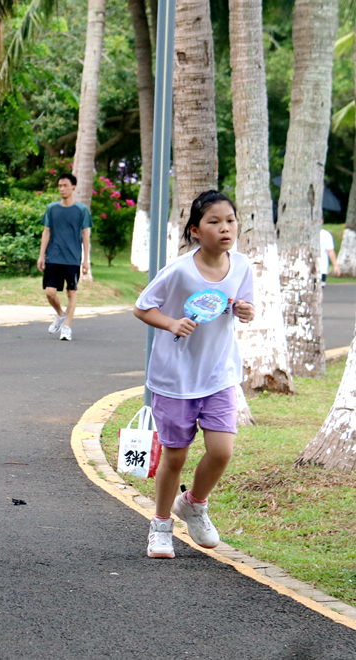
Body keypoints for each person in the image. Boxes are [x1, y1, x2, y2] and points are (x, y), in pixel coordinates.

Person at [133, 190, 255, 559]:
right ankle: (160, 525)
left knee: (221, 451)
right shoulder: (180, 270)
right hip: (176, 378)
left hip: (219, 374)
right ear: (195, 231)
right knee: (176, 456)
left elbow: (240, 305)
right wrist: (171, 322)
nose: (224, 228)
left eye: (230, 221)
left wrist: (244, 311)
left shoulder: (243, 266)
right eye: (214, 222)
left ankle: (195, 504)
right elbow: (142, 307)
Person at [37, 173, 92, 341]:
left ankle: (67, 327)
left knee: (71, 293)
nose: (62, 189)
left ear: (73, 187)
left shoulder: (82, 210)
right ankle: (61, 314)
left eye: (65, 185)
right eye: (59, 186)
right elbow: (46, 232)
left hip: (72, 259)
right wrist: (41, 255)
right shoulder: (52, 208)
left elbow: (85, 235)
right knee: (50, 292)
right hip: (54, 256)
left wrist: (85, 260)